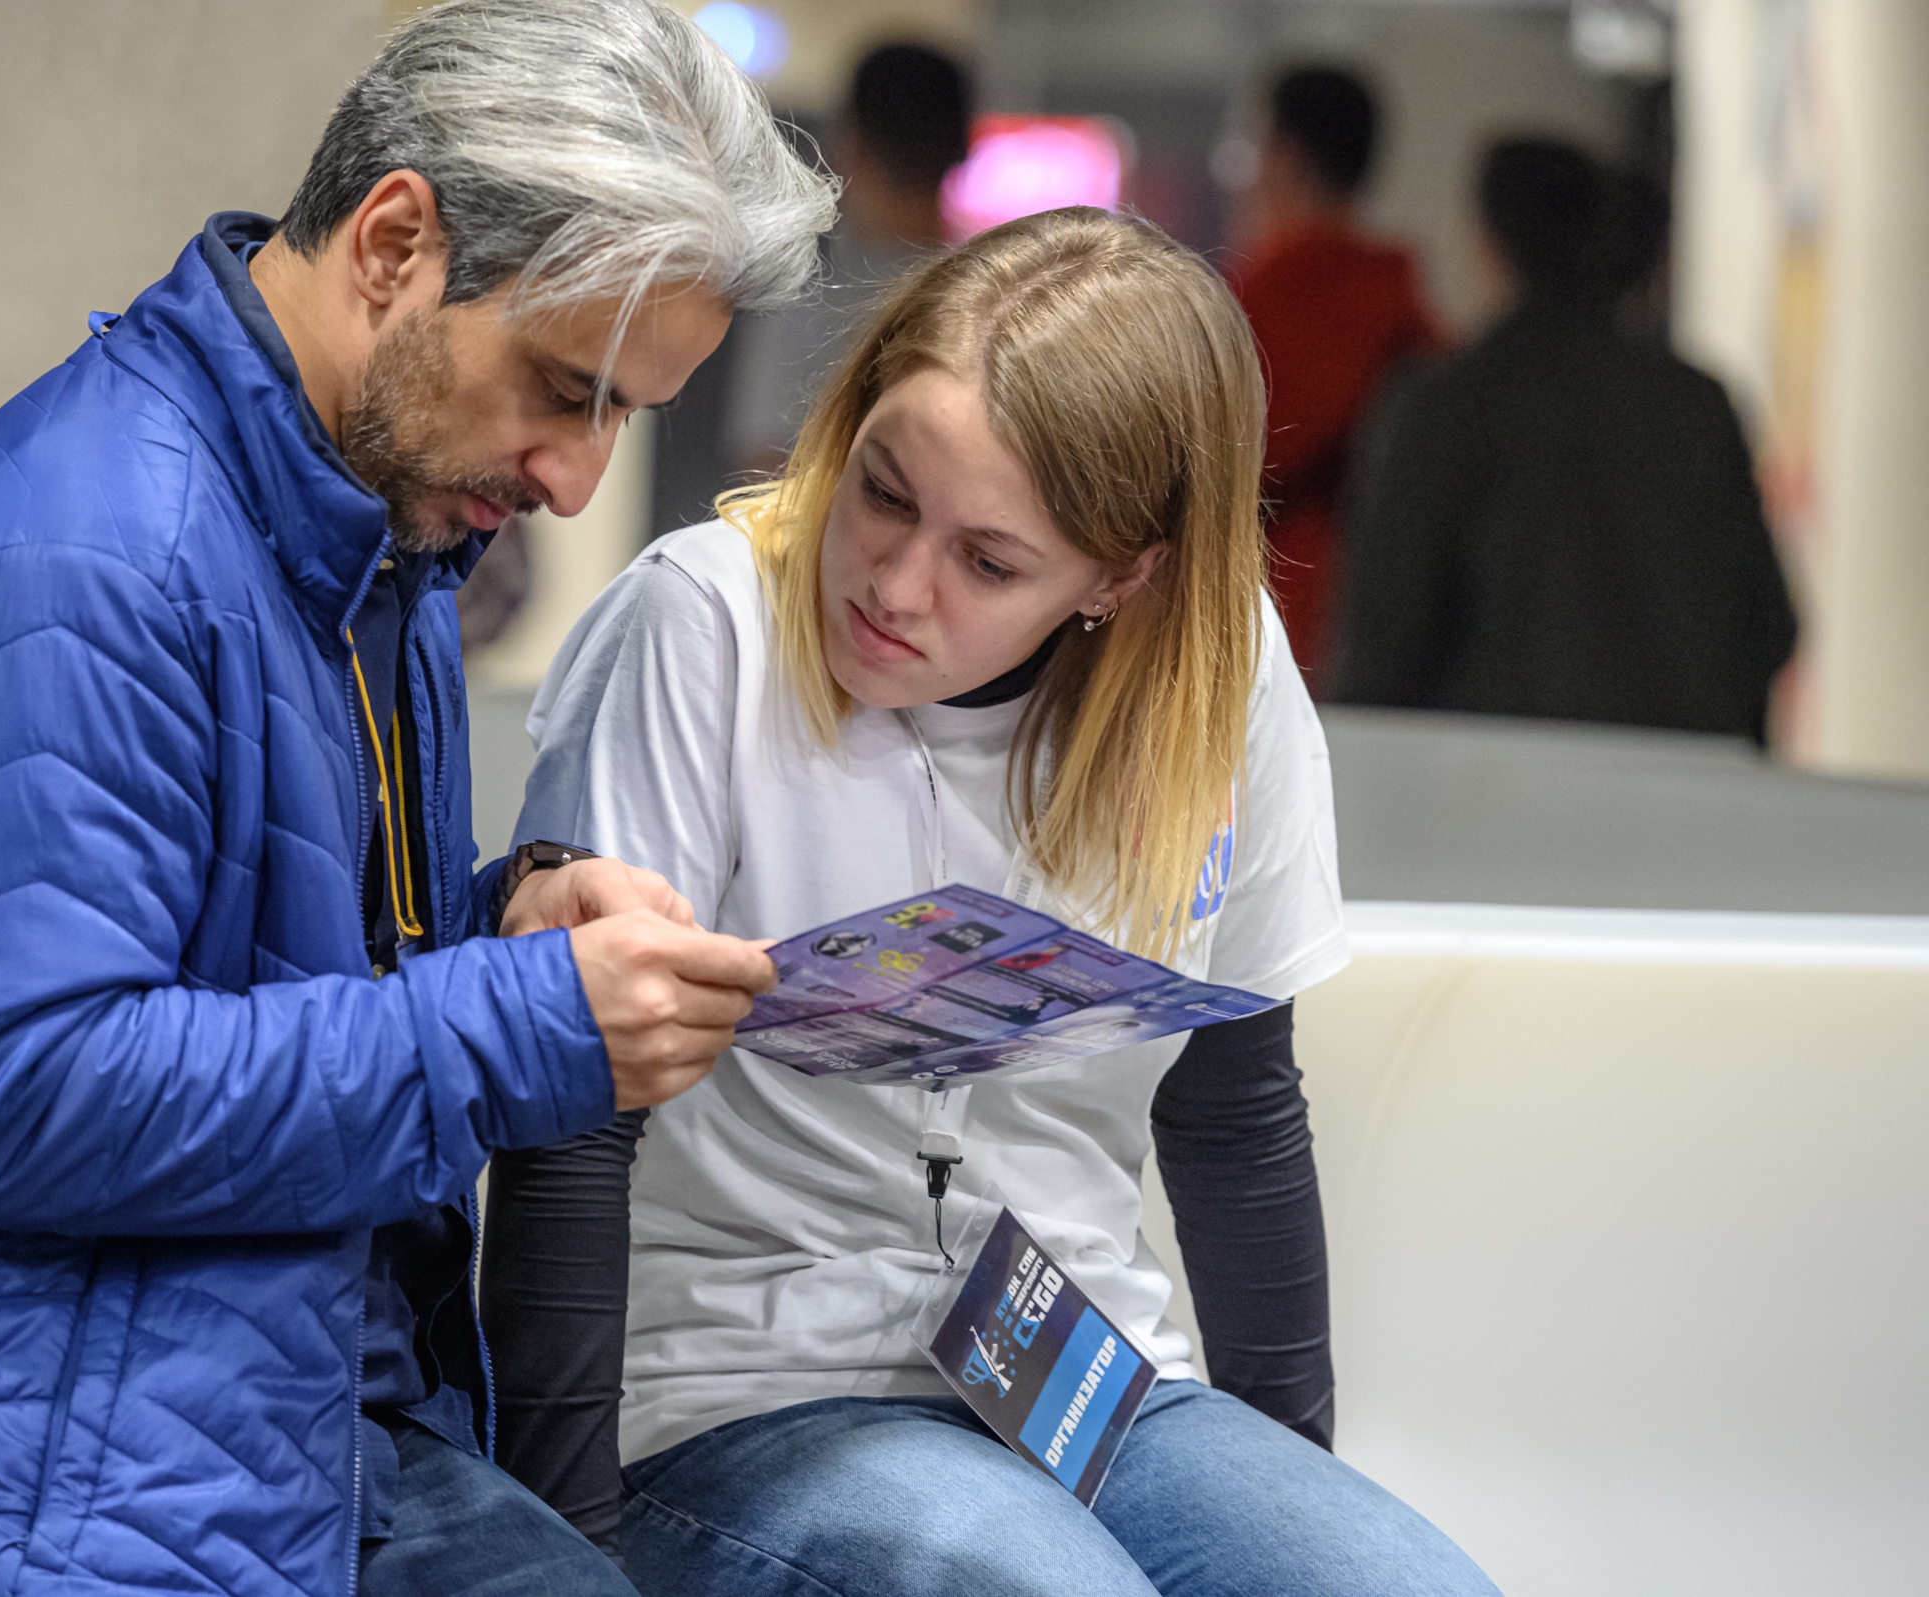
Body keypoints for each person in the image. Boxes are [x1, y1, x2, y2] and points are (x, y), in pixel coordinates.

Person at [0, 4, 834, 1594]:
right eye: (565, 388)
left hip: (276, 1425)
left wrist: (502, 921)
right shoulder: (79, 555)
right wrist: (526, 1023)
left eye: (623, 413)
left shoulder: (375, 539)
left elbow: (261, 968)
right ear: (394, 244)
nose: (576, 477)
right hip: (29, 1505)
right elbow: (28, 1098)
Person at [482, 209, 1500, 1595]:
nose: (896, 586)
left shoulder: (1218, 674)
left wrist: (1289, 1493)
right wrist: (561, 1554)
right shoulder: (701, 623)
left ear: (1122, 576)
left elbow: (1234, 1112)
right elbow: (569, 1119)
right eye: (884, 493)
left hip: (1082, 1371)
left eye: (990, 561)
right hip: (735, 1385)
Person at [1334, 138, 1797, 742]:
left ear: (1489, 246)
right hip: (1682, 782)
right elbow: (1769, 626)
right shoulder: (1696, 407)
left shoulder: (1448, 406)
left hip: (1491, 783)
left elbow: (1385, 647)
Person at [1232, 65, 1441, 684]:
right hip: (1387, 625)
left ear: (1286, 157)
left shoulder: (1253, 309)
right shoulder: (1408, 311)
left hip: (1264, 611)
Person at [724, 42, 974, 476]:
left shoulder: (806, 304)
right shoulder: (995, 295)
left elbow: (765, 476)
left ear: (849, 146)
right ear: (964, 148)